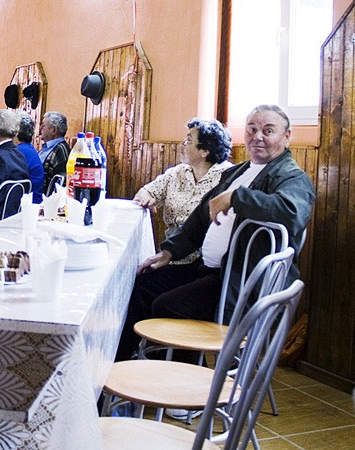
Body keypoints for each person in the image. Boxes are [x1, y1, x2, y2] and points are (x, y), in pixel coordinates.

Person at [115, 105, 316, 363]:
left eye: (268, 131)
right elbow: (201, 217)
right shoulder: (239, 171)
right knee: (144, 285)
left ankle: (183, 381)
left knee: (168, 306)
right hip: (210, 271)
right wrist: (170, 251)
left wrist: (236, 197)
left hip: (241, 282)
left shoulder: (292, 177)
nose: (258, 137)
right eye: (252, 129)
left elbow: (291, 211)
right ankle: (117, 366)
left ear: (287, 136)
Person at [134, 118, 233, 264]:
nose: (182, 144)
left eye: (189, 140)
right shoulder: (177, 173)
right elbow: (145, 191)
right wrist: (145, 199)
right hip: (170, 256)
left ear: (205, 151)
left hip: (205, 263)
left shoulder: (227, 177)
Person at [16, 113, 44, 203]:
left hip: (26, 204)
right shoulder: (28, 149)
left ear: (15, 131)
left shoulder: (18, 152)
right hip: (32, 200)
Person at [38, 111, 71, 190]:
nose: (40, 128)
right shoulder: (47, 148)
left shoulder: (61, 150)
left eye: (43, 125)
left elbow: (60, 185)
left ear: (53, 130)